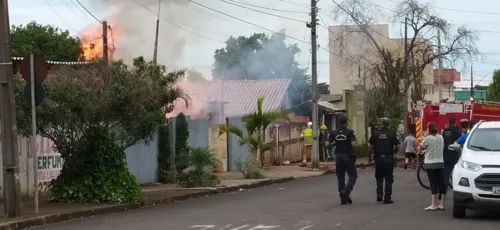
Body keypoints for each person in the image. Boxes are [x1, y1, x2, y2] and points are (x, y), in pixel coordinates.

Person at [327, 115, 357, 205]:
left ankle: (342, 197)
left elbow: (327, 144)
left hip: (338, 156)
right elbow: (354, 144)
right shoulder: (350, 132)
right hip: (347, 156)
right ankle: (346, 191)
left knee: (340, 177)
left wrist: (334, 144)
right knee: (353, 175)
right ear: (346, 123)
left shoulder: (334, 132)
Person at [369, 117, 400, 204]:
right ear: (388, 124)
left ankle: (379, 194)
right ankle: (387, 198)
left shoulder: (375, 133)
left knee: (379, 177)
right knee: (388, 178)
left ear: (381, 123)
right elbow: (398, 146)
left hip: (378, 159)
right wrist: (394, 152)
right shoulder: (391, 133)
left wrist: (369, 156)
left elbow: (370, 147)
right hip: (388, 159)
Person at [420, 122, 446, 211]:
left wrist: (425, 136)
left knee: (433, 182)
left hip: (430, 163)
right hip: (440, 162)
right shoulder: (441, 137)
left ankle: (433, 204)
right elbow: (443, 147)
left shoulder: (428, 138)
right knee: (441, 182)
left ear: (429, 129)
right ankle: (442, 204)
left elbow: (421, 147)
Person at [442, 117, 462, 190]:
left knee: (446, 172)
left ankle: (444, 188)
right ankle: (456, 186)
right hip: (454, 154)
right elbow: (460, 142)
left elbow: (443, 141)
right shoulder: (457, 132)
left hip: (445, 153)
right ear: (455, 123)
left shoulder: (445, 131)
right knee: (456, 170)